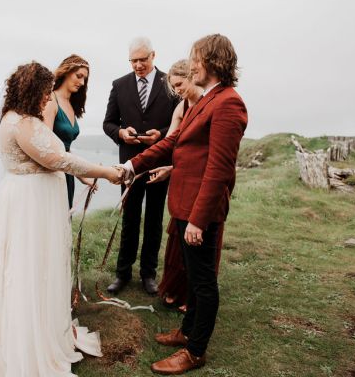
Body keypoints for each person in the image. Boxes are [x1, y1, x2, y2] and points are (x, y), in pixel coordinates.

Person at [0, 62, 121, 377]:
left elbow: (53, 159)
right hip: (29, 206)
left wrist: (83, 177)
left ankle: (34, 327)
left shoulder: (17, 118)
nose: (47, 99)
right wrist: (106, 171)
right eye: (43, 94)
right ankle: (25, 342)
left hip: (29, 200)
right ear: (32, 91)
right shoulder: (21, 124)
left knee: (32, 266)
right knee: (28, 267)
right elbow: (57, 158)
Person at [120, 34, 248, 374]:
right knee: (192, 277)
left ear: (212, 61)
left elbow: (220, 169)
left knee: (203, 282)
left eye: (196, 59)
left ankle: (195, 351)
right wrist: (131, 166)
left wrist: (198, 220)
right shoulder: (205, 100)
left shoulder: (228, 103)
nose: (192, 65)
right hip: (183, 202)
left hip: (198, 210)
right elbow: (173, 142)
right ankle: (186, 331)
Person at [102, 37, 178, 295]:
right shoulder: (119, 85)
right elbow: (108, 123)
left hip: (160, 163)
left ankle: (149, 275)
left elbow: (181, 123)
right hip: (130, 165)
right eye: (133, 61)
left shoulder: (170, 83)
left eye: (142, 60)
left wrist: (162, 134)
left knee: (155, 219)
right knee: (130, 219)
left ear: (153, 56)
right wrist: (121, 133)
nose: (137, 65)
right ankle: (122, 274)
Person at [149, 59, 205, 312]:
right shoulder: (181, 106)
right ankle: (176, 288)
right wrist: (165, 168)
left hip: (203, 181)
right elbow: (171, 141)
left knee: (198, 238)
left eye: (180, 84)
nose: (177, 90)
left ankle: (194, 295)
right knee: (178, 238)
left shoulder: (209, 104)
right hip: (181, 180)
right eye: (173, 87)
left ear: (193, 77)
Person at [43, 54, 95, 208]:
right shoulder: (51, 100)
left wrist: (81, 176)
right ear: (66, 72)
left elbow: (65, 148)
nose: (82, 82)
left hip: (67, 174)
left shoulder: (72, 105)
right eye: (79, 76)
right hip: (52, 173)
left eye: (85, 79)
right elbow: (46, 145)